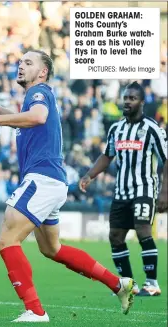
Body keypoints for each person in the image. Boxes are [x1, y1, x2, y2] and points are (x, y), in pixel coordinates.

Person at [0, 50, 136, 323]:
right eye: (20, 62)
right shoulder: (33, 100)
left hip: (41, 179)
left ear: (42, 72)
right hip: (52, 181)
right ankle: (119, 284)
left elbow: (38, 117)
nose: (21, 66)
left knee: (7, 239)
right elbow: (25, 119)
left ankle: (35, 310)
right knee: (51, 249)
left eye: (28, 63)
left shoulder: (38, 92)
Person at [79, 82, 167, 297]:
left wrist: (164, 193)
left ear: (142, 102)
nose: (127, 101)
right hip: (121, 191)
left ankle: (152, 283)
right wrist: (90, 174)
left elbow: (167, 160)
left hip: (144, 189)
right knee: (115, 236)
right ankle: (129, 284)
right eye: (125, 98)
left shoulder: (152, 128)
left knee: (143, 229)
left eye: (132, 98)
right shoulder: (116, 128)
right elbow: (107, 155)